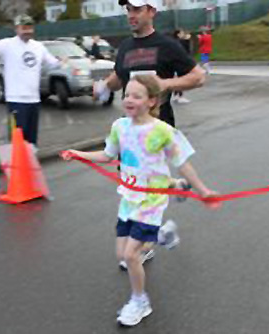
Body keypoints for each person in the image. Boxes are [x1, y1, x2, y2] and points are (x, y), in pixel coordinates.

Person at [62, 74, 218, 327]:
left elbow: (182, 163)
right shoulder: (119, 127)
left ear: (152, 101)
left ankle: (139, 301)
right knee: (122, 255)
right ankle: (163, 235)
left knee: (131, 255)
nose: (129, 100)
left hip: (152, 200)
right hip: (130, 197)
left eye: (136, 95)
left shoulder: (162, 131)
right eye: (126, 95)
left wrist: (202, 190)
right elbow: (107, 155)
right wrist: (77, 153)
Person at [95, 0, 206, 128]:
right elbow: (118, 79)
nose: (131, 15)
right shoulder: (125, 47)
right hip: (131, 128)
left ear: (151, 12)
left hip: (160, 129)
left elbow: (198, 77)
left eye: (137, 10)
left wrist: (165, 84)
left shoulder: (167, 45)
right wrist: (103, 86)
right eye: (128, 9)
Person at [0, 12, 61, 146]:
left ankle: (30, 164)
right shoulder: (8, 44)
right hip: (16, 100)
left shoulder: (38, 46)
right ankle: (16, 166)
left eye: (30, 27)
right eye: (24, 28)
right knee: (17, 140)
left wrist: (65, 62)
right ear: (17, 28)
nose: (27, 31)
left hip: (34, 100)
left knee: (32, 141)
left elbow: (52, 62)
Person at [172, 29, 192, 104]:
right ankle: (180, 96)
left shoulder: (173, 42)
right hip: (179, 64)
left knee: (176, 80)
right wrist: (187, 40)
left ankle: (176, 95)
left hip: (174, 64)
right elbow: (186, 51)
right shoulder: (179, 42)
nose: (183, 34)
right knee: (180, 80)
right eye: (181, 33)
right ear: (178, 34)